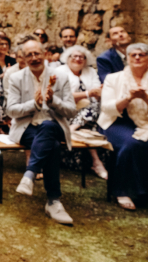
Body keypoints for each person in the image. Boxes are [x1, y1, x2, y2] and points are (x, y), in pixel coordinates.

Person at [7, 39, 76, 225]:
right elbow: (11, 110)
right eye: (29, 55)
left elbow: (71, 110)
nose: (34, 57)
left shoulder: (59, 77)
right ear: (24, 58)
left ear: (45, 54)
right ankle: (54, 200)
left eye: (37, 53)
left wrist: (53, 101)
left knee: (48, 126)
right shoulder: (16, 78)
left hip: (55, 125)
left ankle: (30, 174)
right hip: (27, 128)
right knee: (51, 145)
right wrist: (35, 104)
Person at [99, 43, 148, 210]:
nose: (137, 58)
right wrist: (128, 98)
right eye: (133, 55)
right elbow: (106, 107)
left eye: (141, 54)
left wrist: (145, 98)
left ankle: (143, 192)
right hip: (117, 121)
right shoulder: (113, 78)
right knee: (132, 144)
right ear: (127, 59)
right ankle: (121, 190)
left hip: (145, 122)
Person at [56, 46, 107, 179]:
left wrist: (98, 92)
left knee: (96, 105)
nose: (78, 59)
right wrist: (87, 93)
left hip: (88, 114)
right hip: (66, 112)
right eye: (74, 56)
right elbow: (61, 97)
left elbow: (97, 93)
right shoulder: (59, 71)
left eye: (81, 57)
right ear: (68, 58)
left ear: (85, 60)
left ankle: (73, 129)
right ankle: (97, 162)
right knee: (90, 114)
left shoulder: (90, 71)